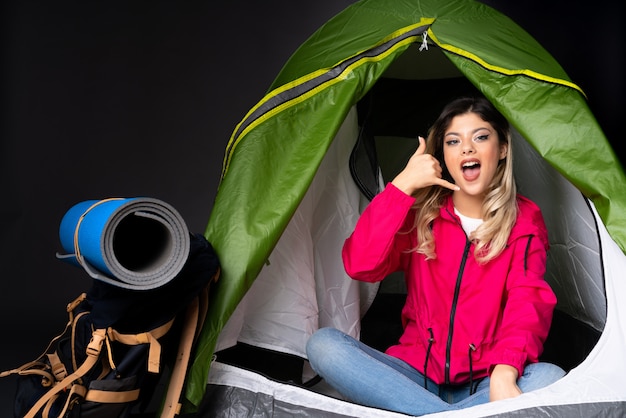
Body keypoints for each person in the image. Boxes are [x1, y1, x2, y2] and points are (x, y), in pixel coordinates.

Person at [305, 96, 565, 416]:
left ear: (502, 148)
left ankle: (421, 413)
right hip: (414, 376)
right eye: (453, 141)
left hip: (485, 380)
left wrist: (505, 371)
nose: (467, 148)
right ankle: (453, 413)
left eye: (480, 137)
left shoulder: (525, 219)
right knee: (324, 346)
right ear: (443, 154)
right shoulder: (421, 215)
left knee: (551, 378)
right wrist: (401, 186)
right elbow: (360, 264)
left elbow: (528, 301)